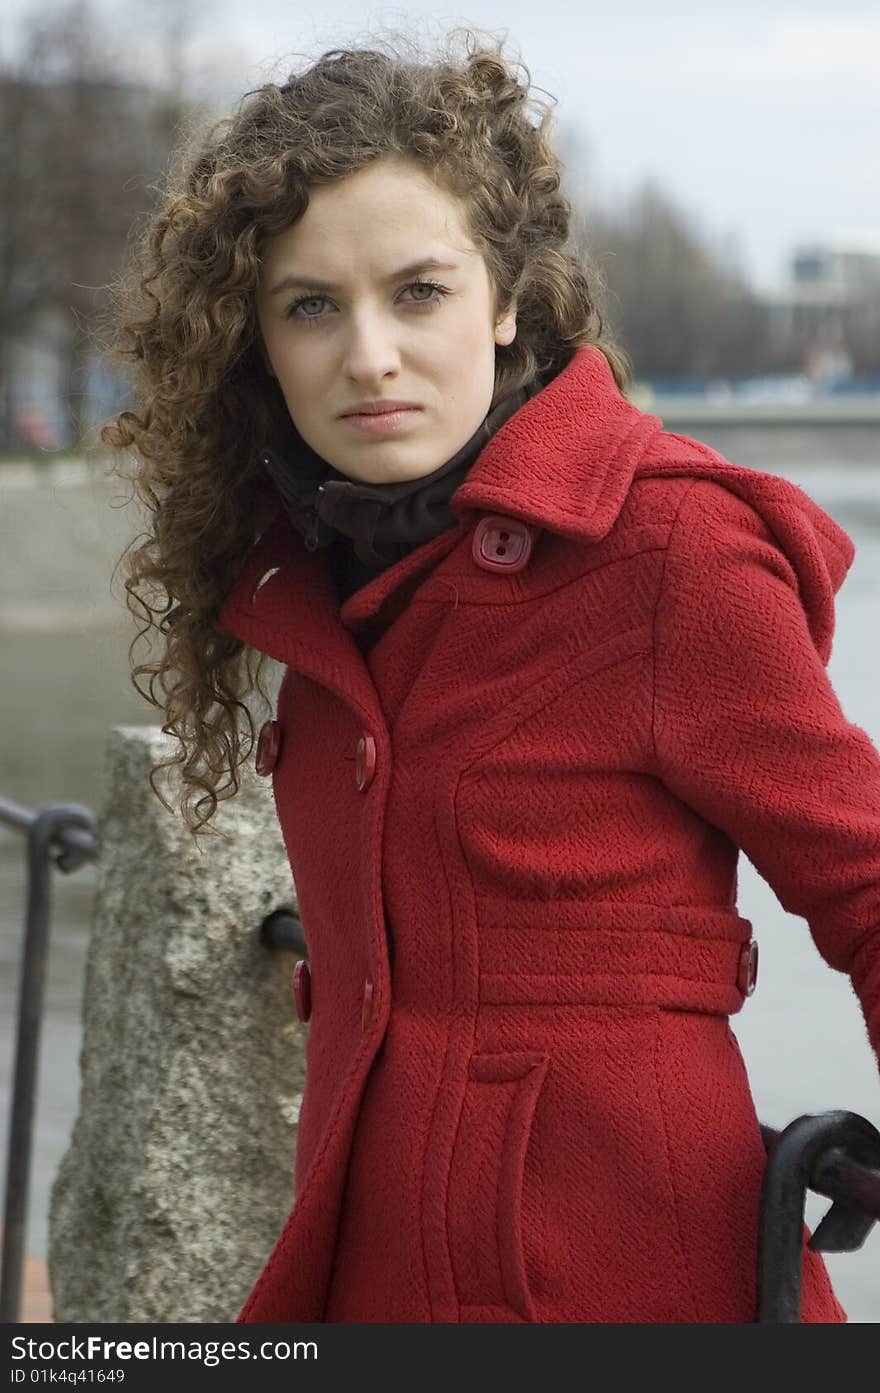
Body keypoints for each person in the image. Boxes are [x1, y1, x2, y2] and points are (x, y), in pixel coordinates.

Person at [100, 31, 879, 1324]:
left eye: (417, 292)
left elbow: (863, 878)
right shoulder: (314, 565)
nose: (369, 355)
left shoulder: (666, 548)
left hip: (621, 1271)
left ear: (507, 298)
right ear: (257, 341)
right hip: (371, 1259)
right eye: (311, 305)